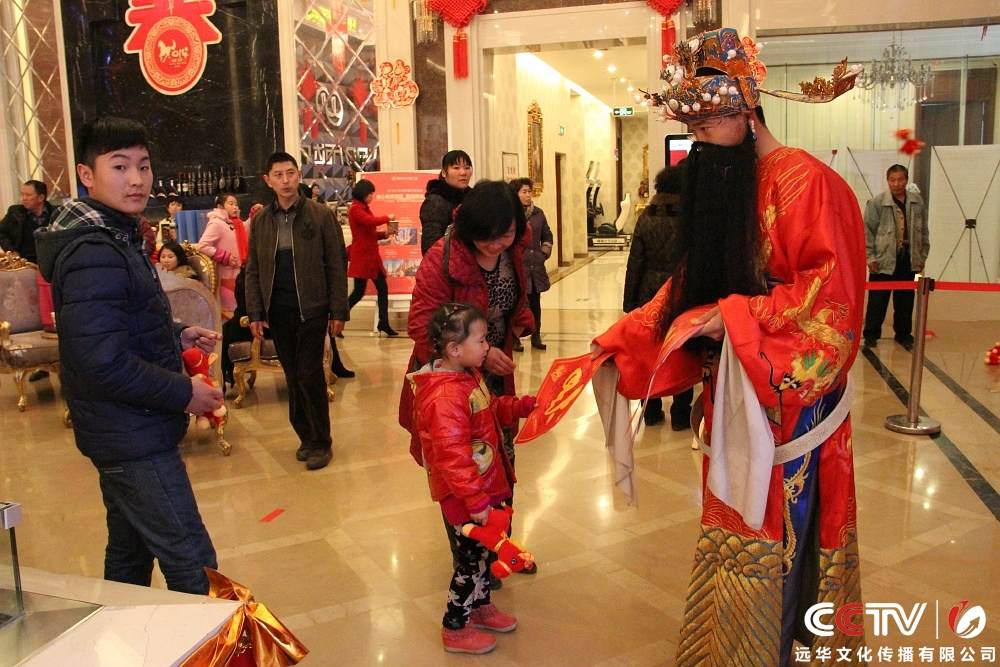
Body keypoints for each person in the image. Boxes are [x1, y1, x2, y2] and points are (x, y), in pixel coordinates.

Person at [591, 30, 867, 665]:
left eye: (708, 123)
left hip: (791, 400)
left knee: (785, 533)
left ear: (747, 111)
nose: (700, 140)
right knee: (734, 522)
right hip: (736, 383)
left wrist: (738, 316)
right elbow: (693, 283)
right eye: (692, 127)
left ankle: (779, 647)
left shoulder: (808, 183)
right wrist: (626, 338)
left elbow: (833, 301)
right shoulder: (734, 182)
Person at [34, 117, 221, 595]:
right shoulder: (93, 251)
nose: (136, 179)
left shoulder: (114, 234)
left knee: (129, 556)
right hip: (132, 435)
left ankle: (116, 633)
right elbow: (103, 362)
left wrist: (176, 334)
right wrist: (184, 392)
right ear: (86, 174)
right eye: (119, 166)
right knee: (194, 565)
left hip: (123, 429)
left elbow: (118, 324)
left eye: (143, 165)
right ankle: (211, 640)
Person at [401, 180, 536, 583]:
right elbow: (422, 328)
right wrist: (476, 353)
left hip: (493, 377)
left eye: (504, 236)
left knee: (501, 464)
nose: (496, 245)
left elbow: (512, 298)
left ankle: (501, 549)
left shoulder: (514, 246)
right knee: (464, 471)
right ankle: (472, 564)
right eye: (486, 238)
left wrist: (519, 321)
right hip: (453, 382)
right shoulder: (442, 259)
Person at [408, 303, 535, 654]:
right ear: (454, 348)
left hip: (481, 486)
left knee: (481, 556)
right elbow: (452, 455)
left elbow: (489, 409)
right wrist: (476, 501)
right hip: (464, 497)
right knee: (469, 562)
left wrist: (520, 407)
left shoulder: (466, 376)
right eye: (480, 340)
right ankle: (455, 626)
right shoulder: (445, 395)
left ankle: (480, 608)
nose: (487, 346)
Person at [244, 151, 349, 471]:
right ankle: (306, 436)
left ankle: (321, 441)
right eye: (278, 175)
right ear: (268, 180)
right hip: (279, 311)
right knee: (293, 377)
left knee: (309, 374)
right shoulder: (261, 221)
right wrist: (256, 311)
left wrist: (338, 309)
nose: (286, 180)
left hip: (313, 309)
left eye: (291, 173)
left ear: (298, 175)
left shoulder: (320, 215)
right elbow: (253, 269)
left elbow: (336, 263)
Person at [622, 166, 693, 430]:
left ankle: (651, 411)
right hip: (680, 292)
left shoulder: (646, 218)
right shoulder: (689, 218)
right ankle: (681, 414)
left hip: (648, 293)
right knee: (681, 351)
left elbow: (635, 264)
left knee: (649, 353)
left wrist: (630, 303)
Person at [862, 164, 929, 348]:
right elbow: (867, 232)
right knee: (877, 300)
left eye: (900, 179)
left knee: (905, 300)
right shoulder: (877, 203)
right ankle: (871, 334)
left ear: (906, 180)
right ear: (887, 181)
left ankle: (903, 334)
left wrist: (922, 256)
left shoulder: (917, 202)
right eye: (892, 180)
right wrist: (870, 257)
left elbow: (924, 231)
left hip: (908, 258)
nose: (896, 184)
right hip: (882, 258)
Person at [347, 179, 398, 336]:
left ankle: (384, 322)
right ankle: (337, 317)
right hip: (362, 256)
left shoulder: (363, 208)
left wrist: (385, 234)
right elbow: (370, 222)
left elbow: (369, 233)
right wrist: (387, 217)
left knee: (382, 288)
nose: (372, 196)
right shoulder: (355, 209)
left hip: (371, 257)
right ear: (363, 193)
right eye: (370, 193)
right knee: (358, 292)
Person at [508, 178, 552, 352]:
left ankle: (536, 335)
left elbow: (547, 235)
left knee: (535, 304)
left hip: (535, 269)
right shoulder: (510, 215)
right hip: (517, 268)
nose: (528, 195)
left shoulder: (538, 214)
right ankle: (515, 338)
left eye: (529, 191)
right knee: (516, 304)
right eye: (524, 192)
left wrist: (544, 253)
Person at [199, 193, 247, 320]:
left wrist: (254, 214)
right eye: (231, 204)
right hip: (226, 273)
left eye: (236, 204)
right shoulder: (216, 223)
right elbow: (203, 245)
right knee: (230, 310)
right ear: (220, 206)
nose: (235, 207)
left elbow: (246, 231)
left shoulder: (236, 223)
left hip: (240, 272)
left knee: (240, 308)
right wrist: (224, 256)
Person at [419, 150, 472, 254]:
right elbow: (431, 246)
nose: (463, 173)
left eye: (467, 168)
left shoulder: (473, 199)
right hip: (448, 261)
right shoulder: (435, 201)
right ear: (444, 172)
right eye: (456, 168)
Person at [0, 180, 56, 263]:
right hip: (24, 262)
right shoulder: (15, 213)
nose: (24, 198)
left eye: (28, 195)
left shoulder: (56, 213)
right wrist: (12, 251)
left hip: (52, 262)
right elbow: (1, 232)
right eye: (22, 194)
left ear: (41, 198)